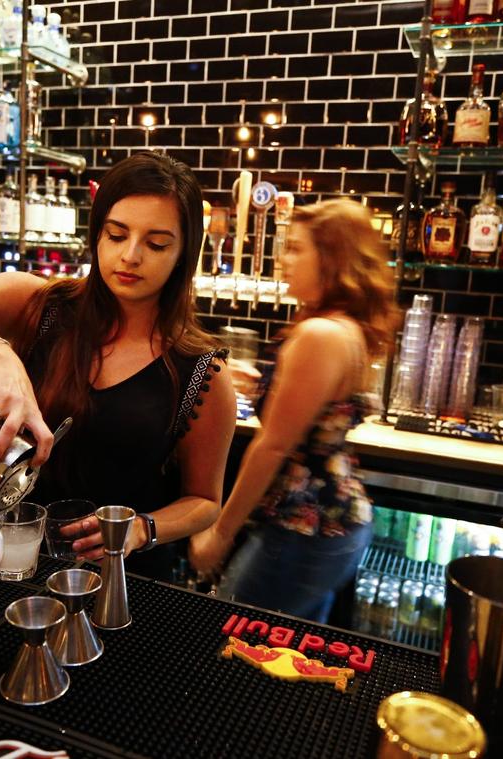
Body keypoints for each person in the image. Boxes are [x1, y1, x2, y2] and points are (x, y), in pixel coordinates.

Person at [0, 152, 236, 580]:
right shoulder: (45, 307)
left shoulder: (201, 372)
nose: (130, 255)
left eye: (156, 244)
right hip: (16, 558)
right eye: (116, 235)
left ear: (183, 253)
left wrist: (141, 528)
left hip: (123, 578)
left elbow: (204, 501)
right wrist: (0, 361)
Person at [188, 199, 399, 622]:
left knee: (235, 636)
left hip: (305, 524)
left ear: (333, 259)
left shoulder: (319, 335)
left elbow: (272, 447)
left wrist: (220, 533)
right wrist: (264, 385)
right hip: (334, 522)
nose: (284, 260)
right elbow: (318, 416)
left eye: (297, 249)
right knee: (293, 648)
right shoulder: (345, 328)